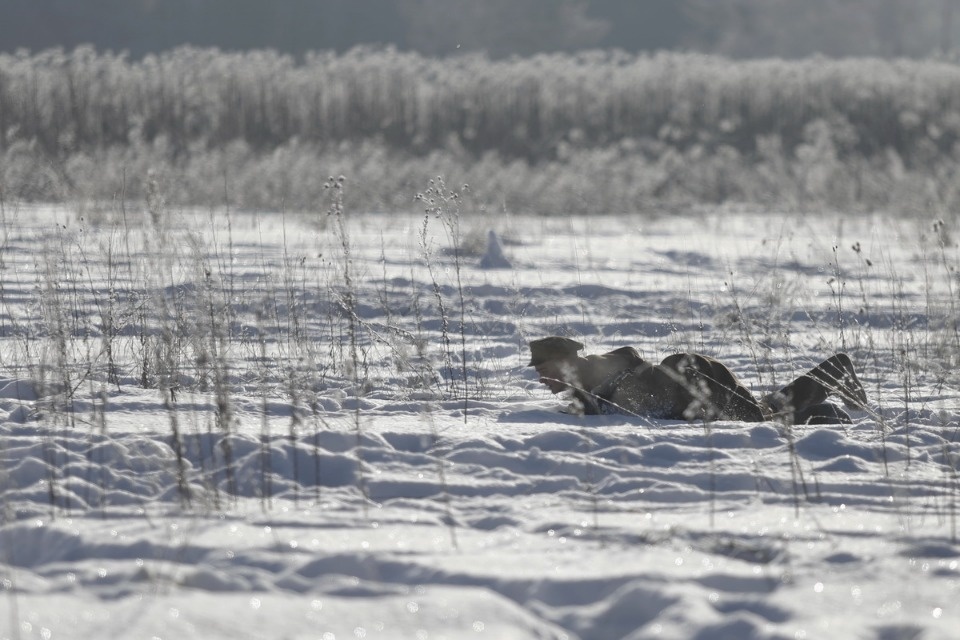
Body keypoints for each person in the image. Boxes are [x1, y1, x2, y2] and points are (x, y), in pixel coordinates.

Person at [528, 336, 868, 424]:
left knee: (761, 421)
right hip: (695, 404)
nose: (541, 380)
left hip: (704, 384)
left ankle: (837, 371)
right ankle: (826, 412)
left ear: (564, 363)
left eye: (544, 371)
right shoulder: (582, 389)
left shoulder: (594, 369)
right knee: (769, 412)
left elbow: (627, 358)